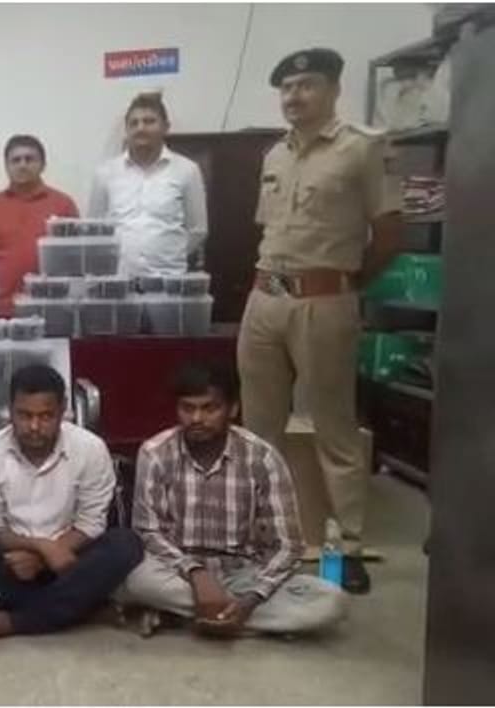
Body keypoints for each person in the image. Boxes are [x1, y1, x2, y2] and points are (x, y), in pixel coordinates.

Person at [237, 48, 403, 595]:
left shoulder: (363, 149)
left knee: (334, 426)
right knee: (259, 428)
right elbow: (268, 231)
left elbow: (390, 236)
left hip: (325, 302)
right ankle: (261, 536)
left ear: (333, 89)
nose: (294, 96)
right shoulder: (274, 154)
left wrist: (346, 285)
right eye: (287, 88)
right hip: (265, 298)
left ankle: (347, 546)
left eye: (306, 84)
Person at [119, 362, 348, 636]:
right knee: (137, 581)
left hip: (244, 573)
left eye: (210, 408)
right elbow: (147, 531)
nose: (196, 418)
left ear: (233, 409)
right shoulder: (155, 453)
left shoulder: (262, 457)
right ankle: (236, 620)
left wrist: (253, 598)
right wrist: (196, 573)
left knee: (330, 600)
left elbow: (289, 546)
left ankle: (195, 616)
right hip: (177, 571)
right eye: (187, 408)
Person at [0, 365, 142, 644]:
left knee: (126, 544)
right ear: (10, 411)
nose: (34, 427)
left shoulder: (91, 448)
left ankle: (16, 621)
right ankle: (82, 609)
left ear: (63, 411)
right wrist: (40, 548)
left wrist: (47, 558)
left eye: (45, 416)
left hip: (72, 560)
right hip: (13, 562)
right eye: (24, 415)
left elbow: (91, 523)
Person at [87, 93, 208, 278]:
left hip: (168, 279)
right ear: (127, 130)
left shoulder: (187, 170)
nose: (140, 128)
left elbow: (198, 229)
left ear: (166, 127)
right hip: (117, 280)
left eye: (149, 121)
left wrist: (169, 256)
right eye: (133, 123)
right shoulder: (105, 173)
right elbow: (94, 228)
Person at [0, 136, 81, 316]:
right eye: (15, 160)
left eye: (29, 159)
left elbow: (75, 259)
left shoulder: (64, 205)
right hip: (3, 309)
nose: (22, 165)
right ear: (6, 166)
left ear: (43, 165)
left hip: (51, 306)